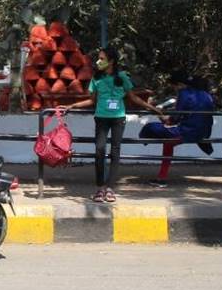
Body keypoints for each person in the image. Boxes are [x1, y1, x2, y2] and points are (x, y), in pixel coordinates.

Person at [65, 47, 165, 202]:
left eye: (102, 58)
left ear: (111, 61)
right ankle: (100, 188)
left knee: (115, 152)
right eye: (99, 58)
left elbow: (134, 98)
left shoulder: (122, 77)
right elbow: (92, 100)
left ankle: (110, 188)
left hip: (118, 118)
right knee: (99, 150)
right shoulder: (96, 78)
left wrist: (153, 109)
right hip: (101, 118)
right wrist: (71, 106)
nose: (99, 61)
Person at [139, 71, 215, 186]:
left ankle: (162, 177)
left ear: (179, 84)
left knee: (149, 127)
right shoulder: (206, 95)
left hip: (187, 132)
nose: (174, 89)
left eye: (173, 86)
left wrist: (162, 117)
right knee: (168, 142)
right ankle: (162, 177)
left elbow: (175, 118)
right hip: (204, 132)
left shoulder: (184, 93)